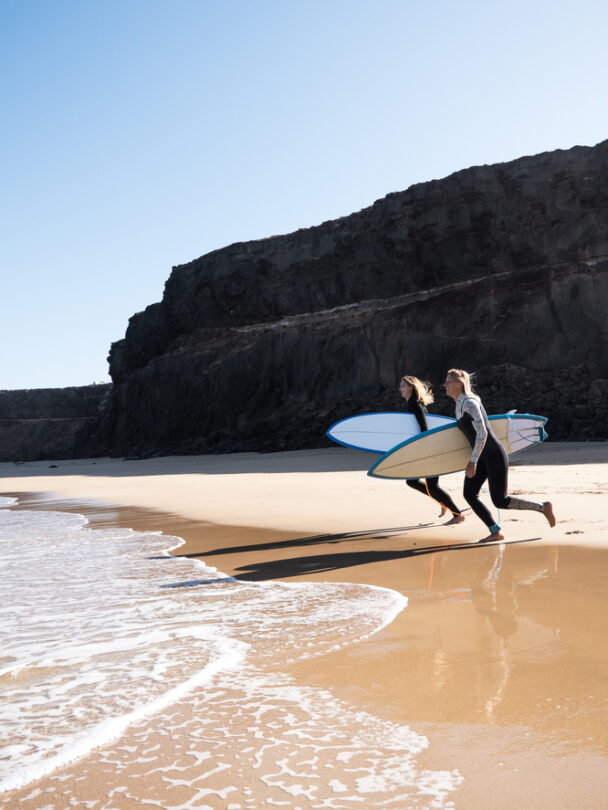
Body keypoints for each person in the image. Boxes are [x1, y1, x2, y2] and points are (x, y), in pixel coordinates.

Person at [443, 368, 556, 542]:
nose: (445, 385)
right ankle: (496, 531)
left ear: (459, 384)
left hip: (494, 454)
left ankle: (543, 507)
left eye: (448, 382)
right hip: (480, 455)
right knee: (469, 494)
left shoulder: (470, 403)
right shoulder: (459, 405)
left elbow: (482, 434)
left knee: (500, 500)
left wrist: (472, 461)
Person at [399, 375, 465, 525]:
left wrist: (421, 451)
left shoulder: (415, 404)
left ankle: (457, 515)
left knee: (427, 485)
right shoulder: (413, 404)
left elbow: (424, 429)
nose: (400, 388)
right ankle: (445, 505)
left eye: (403, 385)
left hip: (429, 450)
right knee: (414, 482)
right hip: (428, 449)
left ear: (411, 387)